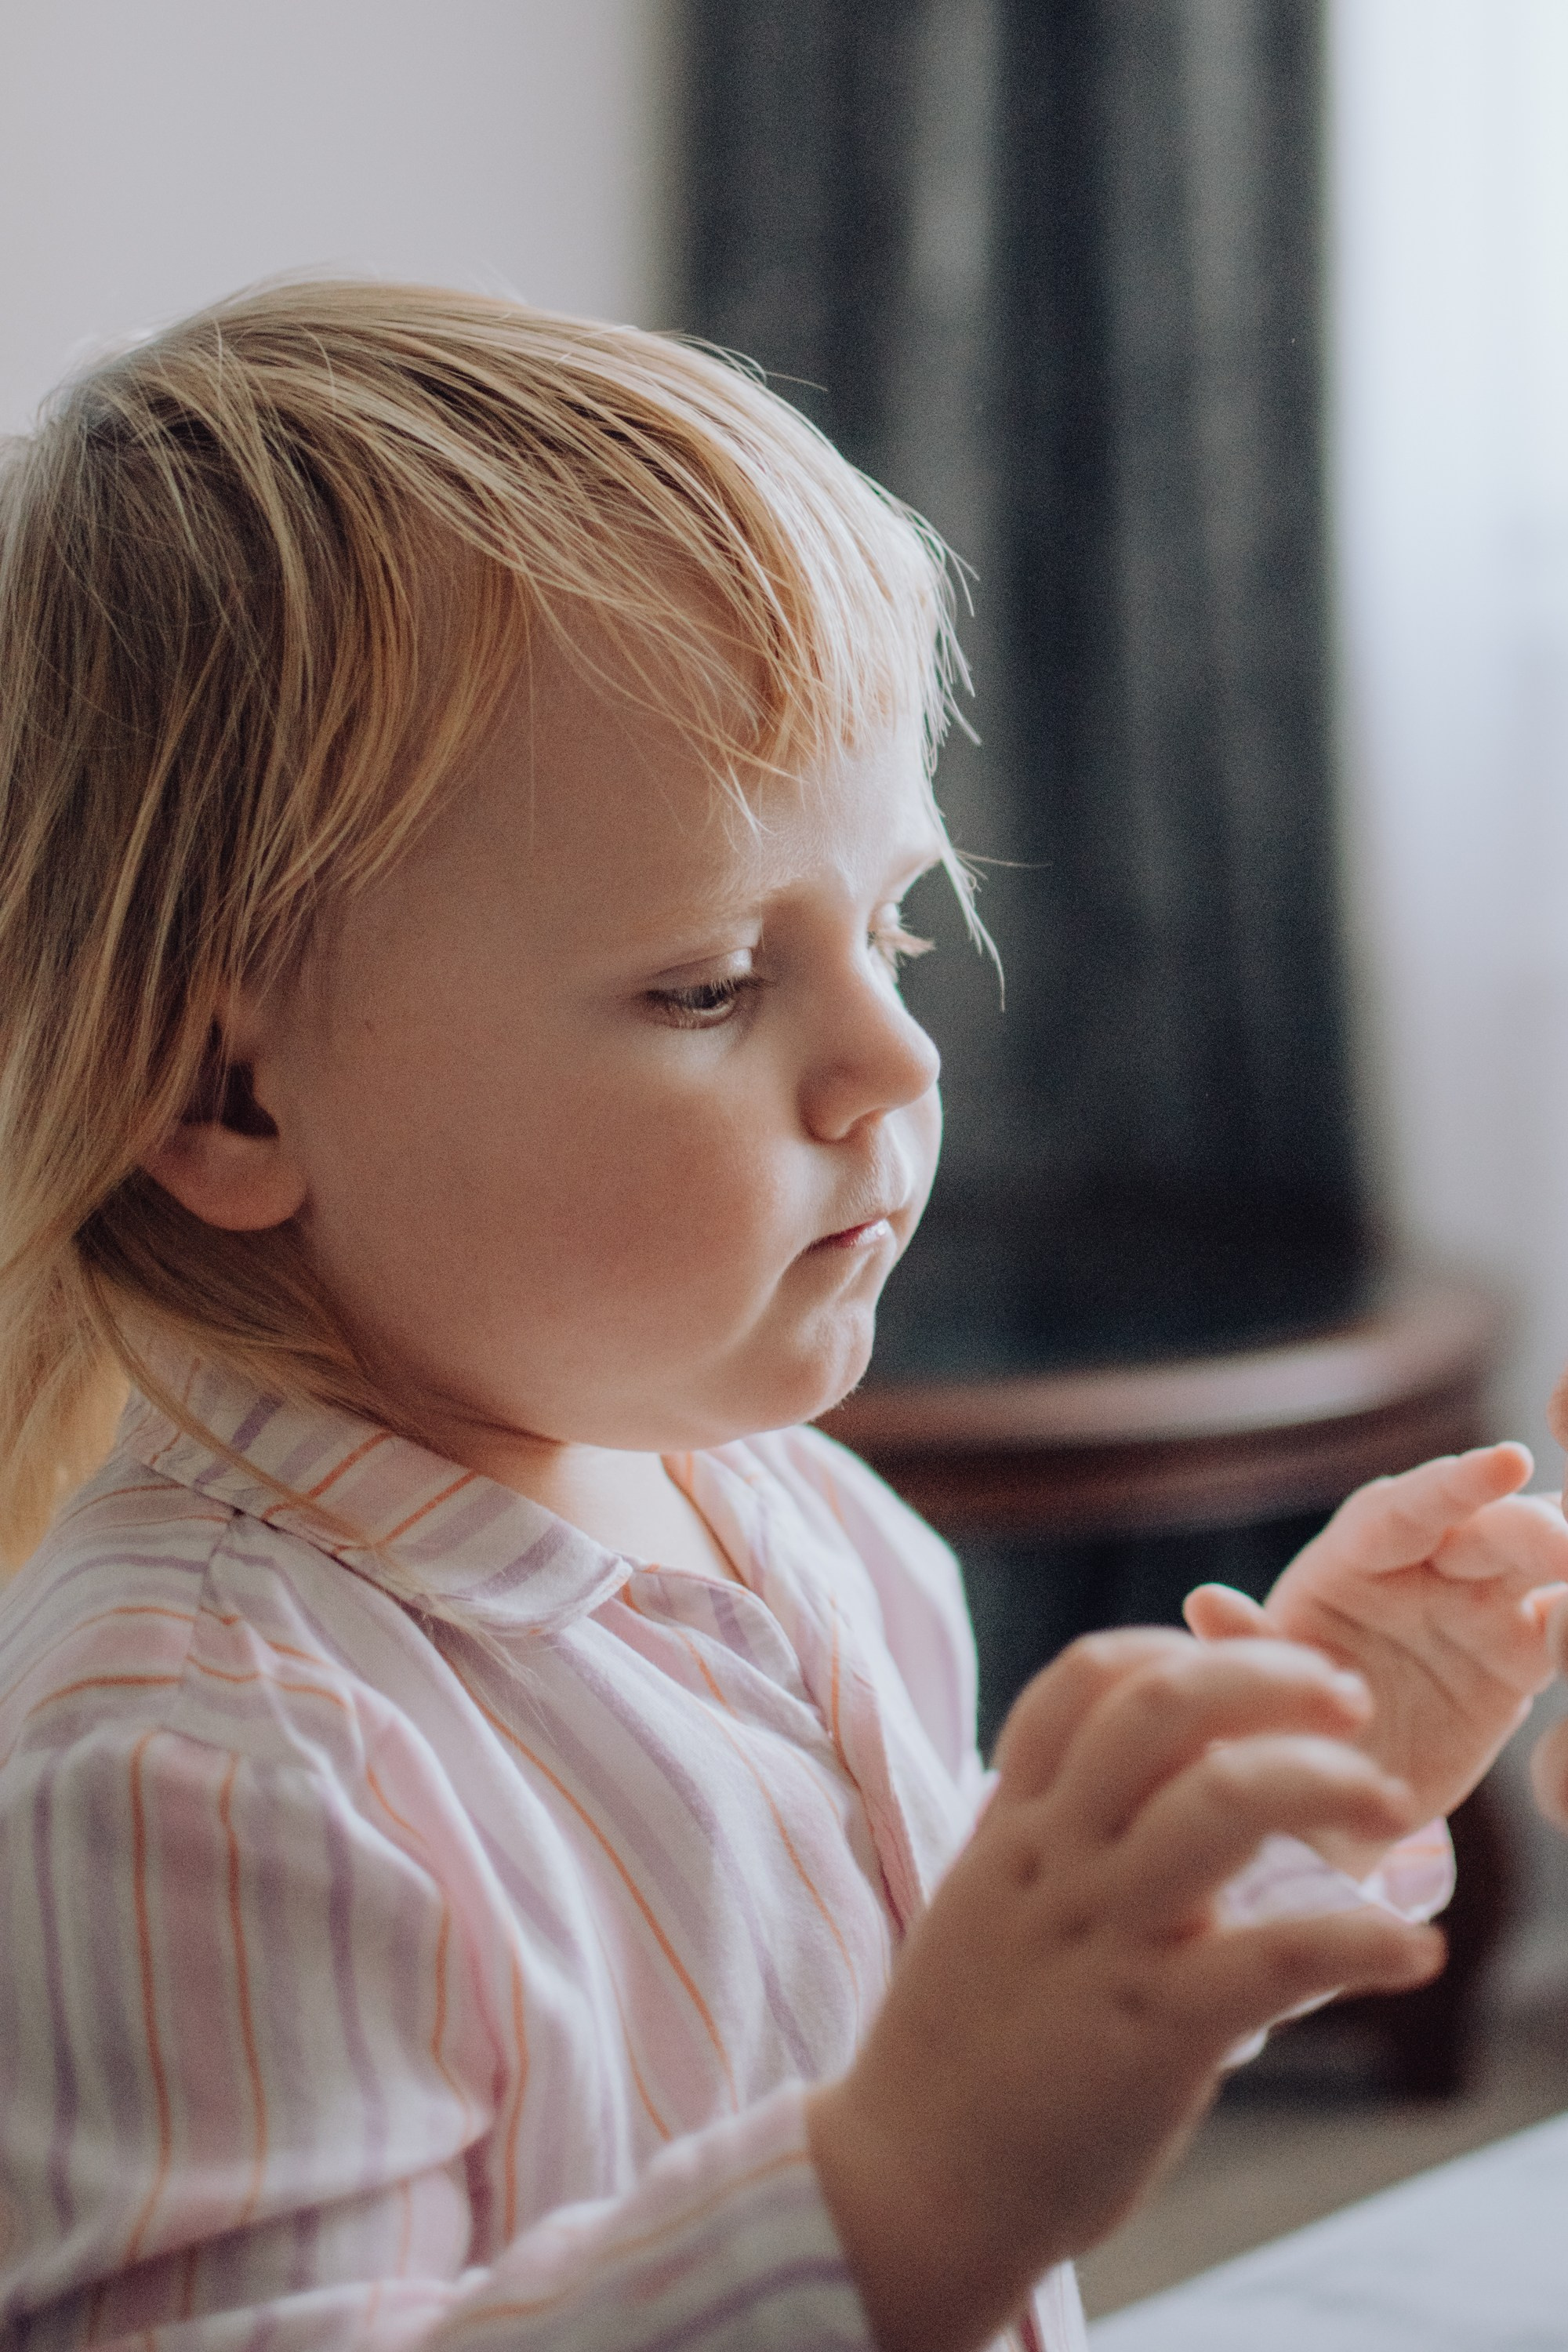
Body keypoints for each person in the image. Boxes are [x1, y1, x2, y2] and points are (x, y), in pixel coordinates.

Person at [1, 283, 1564, 2352]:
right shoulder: (199, 1768)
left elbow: (962, 2036)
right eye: (713, 985)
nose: (898, 1063)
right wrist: (900, 2188)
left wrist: (1283, 1787)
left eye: (897, 923)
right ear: (232, 1097)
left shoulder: (796, 1516)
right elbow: (924, 2151)